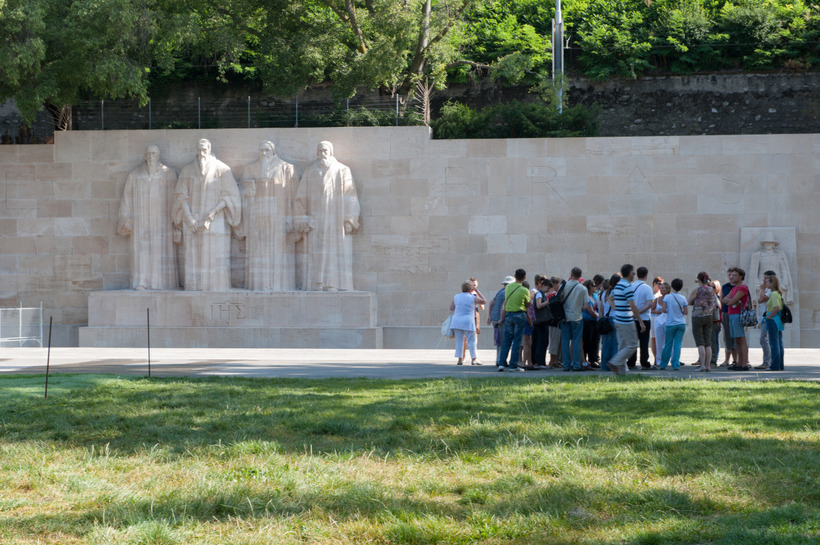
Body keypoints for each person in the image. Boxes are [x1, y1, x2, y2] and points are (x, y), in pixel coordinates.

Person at [173, 138, 241, 291]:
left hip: (216, 221)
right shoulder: (187, 170)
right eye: (199, 149)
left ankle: (216, 288)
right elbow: (180, 196)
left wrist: (213, 212)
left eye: (204, 149)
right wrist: (189, 217)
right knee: (194, 255)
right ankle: (194, 287)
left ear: (209, 149)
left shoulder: (222, 169)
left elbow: (230, 196)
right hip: (192, 221)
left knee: (215, 255)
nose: (201, 153)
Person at [295, 141, 360, 291]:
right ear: (316, 153)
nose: (322, 153)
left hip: (335, 218)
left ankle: (334, 284)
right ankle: (316, 283)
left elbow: (350, 195)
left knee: (334, 251)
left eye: (325, 150)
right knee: (316, 252)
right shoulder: (310, 171)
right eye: (320, 151)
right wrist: (302, 217)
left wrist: (350, 219)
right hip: (315, 219)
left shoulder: (342, 170)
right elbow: (300, 197)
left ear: (331, 152)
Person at [117, 145, 179, 290]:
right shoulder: (135, 175)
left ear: (159, 156)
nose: (151, 157)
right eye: (149, 154)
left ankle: (161, 282)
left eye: (154, 154)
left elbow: (176, 200)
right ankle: (142, 281)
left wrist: (177, 223)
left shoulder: (169, 174)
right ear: (145, 156)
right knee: (142, 250)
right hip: (141, 219)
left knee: (161, 249)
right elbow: (126, 198)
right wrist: (126, 219)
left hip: (162, 220)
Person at [239, 141, 298, 291]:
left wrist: (291, 218)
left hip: (279, 216)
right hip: (256, 216)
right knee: (258, 249)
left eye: (267, 150)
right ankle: (258, 284)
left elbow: (294, 197)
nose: (264, 153)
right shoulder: (250, 169)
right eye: (261, 150)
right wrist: (246, 193)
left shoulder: (286, 168)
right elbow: (240, 192)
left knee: (279, 250)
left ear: (273, 151)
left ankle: (279, 285)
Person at [608, 264, 646, 375]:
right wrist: (641, 321)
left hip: (617, 319)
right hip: (626, 320)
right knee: (632, 345)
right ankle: (615, 362)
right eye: (633, 273)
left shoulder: (618, 285)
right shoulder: (627, 286)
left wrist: (615, 308)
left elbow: (610, 298)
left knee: (622, 346)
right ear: (630, 274)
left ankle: (622, 373)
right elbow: (633, 305)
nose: (634, 275)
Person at [497, 268, 530, 372]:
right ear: (525, 277)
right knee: (517, 341)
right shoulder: (525, 290)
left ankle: (501, 364)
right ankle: (513, 365)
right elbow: (528, 304)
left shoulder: (508, 287)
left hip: (508, 315)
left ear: (515, 276)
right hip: (519, 315)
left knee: (507, 340)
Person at [450, 280, 486, 365]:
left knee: (459, 341)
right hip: (468, 321)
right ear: (471, 289)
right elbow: (484, 301)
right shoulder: (473, 297)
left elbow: (451, 308)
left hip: (456, 321)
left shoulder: (456, 296)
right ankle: (474, 359)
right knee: (472, 341)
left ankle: (460, 359)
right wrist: (477, 291)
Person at [722, 267, 751, 371]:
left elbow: (730, 301)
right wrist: (732, 301)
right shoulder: (734, 288)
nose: (731, 277)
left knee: (741, 339)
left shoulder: (742, 288)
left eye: (734, 275)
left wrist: (732, 301)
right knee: (737, 340)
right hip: (731, 314)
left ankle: (744, 363)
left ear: (740, 276)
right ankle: (738, 362)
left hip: (737, 315)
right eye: (731, 275)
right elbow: (724, 299)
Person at [750, 233, 792, 303]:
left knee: (777, 301)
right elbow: (754, 271)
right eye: (766, 243)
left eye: (770, 243)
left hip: (776, 282)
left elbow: (783, 270)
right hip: (762, 282)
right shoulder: (759, 255)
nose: (768, 245)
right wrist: (757, 283)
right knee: (762, 302)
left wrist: (784, 283)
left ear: (774, 245)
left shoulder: (778, 255)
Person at [688, 272, 717, 372]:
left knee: (700, 342)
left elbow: (689, 301)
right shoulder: (711, 290)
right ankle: (708, 365)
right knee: (708, 342)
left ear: (699, 279)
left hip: (698, 316)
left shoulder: (697, 290)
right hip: (709, 316)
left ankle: (702, 365)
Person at [560, 267, 587, 372]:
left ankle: (566, 365)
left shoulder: (564, 286)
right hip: (577, 317)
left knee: (565, 341)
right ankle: (576, 365)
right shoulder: (583, 288)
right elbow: (585, 306)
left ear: (571, 274)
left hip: (564, 317)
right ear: (580, 276)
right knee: (576, 342)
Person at [628, 266, 654, 370]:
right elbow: (649, 304)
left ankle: (631, 362)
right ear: (646, 275)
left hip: (631, 318)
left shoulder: (630, 286)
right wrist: (638, 313)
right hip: (644, 318)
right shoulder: (647, 288)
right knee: (644, 342)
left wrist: (634, 313)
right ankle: (644, 362)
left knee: (632, 341)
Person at [659, 278, 688, 370]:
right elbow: (685, 312)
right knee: (677, 344)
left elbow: (663, 310)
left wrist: (670, 311)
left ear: (671, 287)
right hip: (681, 323)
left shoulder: (667, 297)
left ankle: (663, 364)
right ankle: (675, 364)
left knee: (668, 344)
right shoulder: (683, 298)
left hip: (670, 323)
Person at [598, 274, 620, 372]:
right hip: (616, 318)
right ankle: (615, 365)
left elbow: (602, 308)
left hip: (607, 319)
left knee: (606, 344)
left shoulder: (604, 293)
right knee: (616, 343)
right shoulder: (617, 293)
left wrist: (603, 318)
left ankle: (604, 365)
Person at [487, 276, 513, 363]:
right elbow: (503, 307)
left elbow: (491, 303)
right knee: (503, 340)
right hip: (501, 319)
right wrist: (501, 318)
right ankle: (501, 360)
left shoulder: (500, 291)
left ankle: (498, 359)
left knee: (498, 340)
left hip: (494, 318)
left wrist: (489, 316)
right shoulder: (507, 292)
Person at [754, 270, 776, 369]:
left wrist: (762, 289)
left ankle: (767, 361)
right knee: (765, 339)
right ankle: (768, 360)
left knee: (764, 339)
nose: (764, 280)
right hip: (764, 316)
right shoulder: (767, 290)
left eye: (766, 278)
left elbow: (762, 299)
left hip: (768, 316)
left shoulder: (770, 290)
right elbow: (759, 300)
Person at [763, 275, 785, 371]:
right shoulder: (779, 293)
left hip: (773, 320)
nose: (766, 283)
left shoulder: (774, 294)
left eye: (768, 281)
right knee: (779, 343)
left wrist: (769, 317)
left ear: (772, 283)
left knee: (774, 343)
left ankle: (775, 365)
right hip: (778, 320)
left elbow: (776, 308)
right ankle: (779, 365)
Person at [531, 275, 551, 369]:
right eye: (547, 287)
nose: (548, 290)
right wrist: (548, 301)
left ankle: (539, 361)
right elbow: (538, 305)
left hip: (540, 322)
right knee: (541, 342)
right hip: (540, 322)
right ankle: (540, 362)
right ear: (543, 285)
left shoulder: (541, 294)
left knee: (542, 341)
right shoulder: (539, 294)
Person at [650, 282, 670, 370]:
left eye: (663, 288)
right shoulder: (657, 299)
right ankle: (658, 360)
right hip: (658, 321)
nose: (661, 290)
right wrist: (658, 312)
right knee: (659, 342)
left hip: (668, 321)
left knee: (669, 341)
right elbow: (651, 310)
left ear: (668, 289)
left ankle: (671, 359)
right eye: (661, 288)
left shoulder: (670, 298)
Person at [581, 279, 600, 370]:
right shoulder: (586, 297)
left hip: (594, 322)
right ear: (589, 287)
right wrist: (599, 317)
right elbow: (591, 311)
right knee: (587, 341)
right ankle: (585, 359)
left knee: (595, 341)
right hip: (587, 321)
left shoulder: (593, 296)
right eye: (593, 286)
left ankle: (593, 359)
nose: (595, 287)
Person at [719, 276, 738, 367]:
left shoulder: (740, 287)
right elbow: (722, 300)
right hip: (726, 312)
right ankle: (727, 360)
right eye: (729, 274)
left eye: (733, 275)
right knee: (727, 337)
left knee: (736, 338)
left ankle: (736, 360)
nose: (731, 276)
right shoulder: (725, 286)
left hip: (736, 313)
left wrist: (730, 301)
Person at [649, 276, 664, 364]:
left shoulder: (662, 295)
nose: (660, 286)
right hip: (653, 317)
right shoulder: (651, 294)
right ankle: (656, 358)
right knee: (654, 338)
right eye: (659, 284)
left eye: (662, 284)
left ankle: (661, 357)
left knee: (661, 339)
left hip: (661, 318)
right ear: (654, 284)